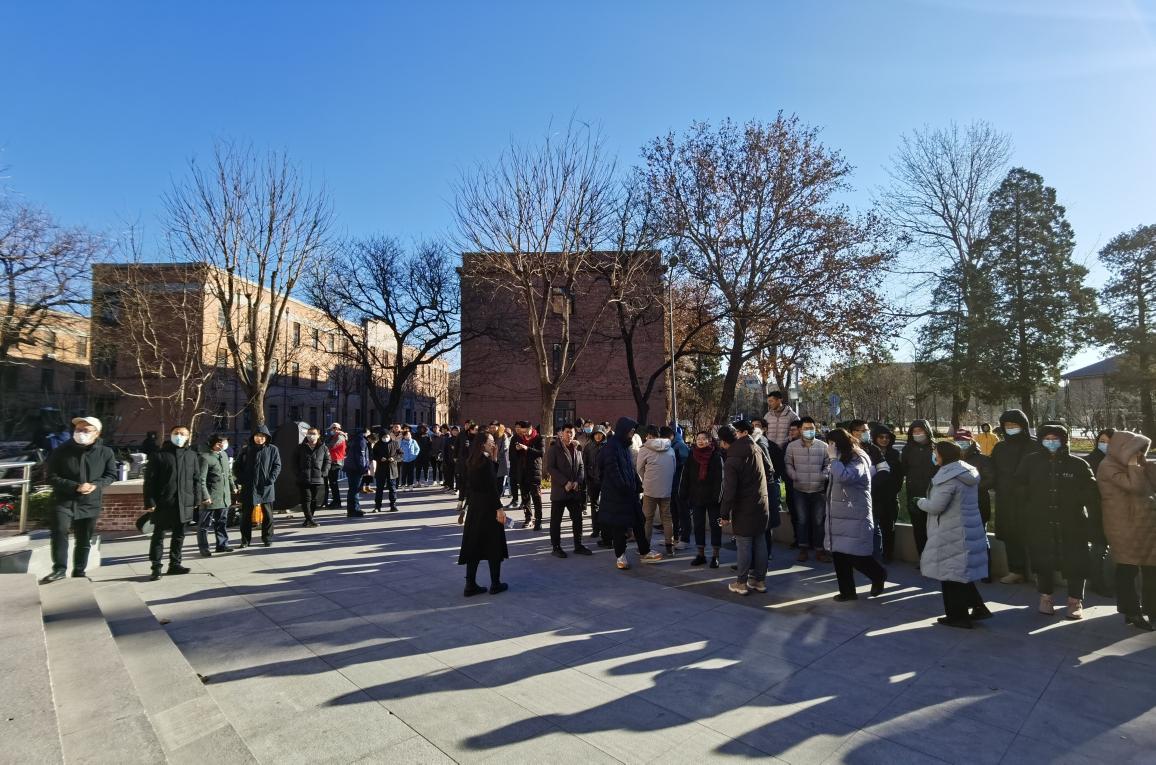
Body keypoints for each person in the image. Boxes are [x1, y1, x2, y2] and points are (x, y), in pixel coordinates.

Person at [1015, 424, 1098, 619]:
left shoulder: (1078, 464)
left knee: (1076, 562)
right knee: (1042, 560)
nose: (1051, 442)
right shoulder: (1030, 461)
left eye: (1055, 439)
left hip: (1072, 522)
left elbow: (1091, 491)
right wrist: (1032, 501)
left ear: (1064, 440)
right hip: (1040, 521)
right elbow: (1018, 485)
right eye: (1047, 438)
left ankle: (1075, 601)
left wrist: (1074, 500)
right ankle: (1046, 598)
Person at [918, 440, 992, 628]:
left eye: (936, 452)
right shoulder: (965, 471)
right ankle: (978, 607)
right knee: (959, 572)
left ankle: (958, 617)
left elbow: (936, 506)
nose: (934, 455)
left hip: (951, 530)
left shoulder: (948, 477)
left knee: (950, 575)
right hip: (965, 526)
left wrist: (920, 502)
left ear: (943, 455)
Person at [40, 416, 117, 584]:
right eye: (78, 429)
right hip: (63, 500)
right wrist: (75, 486)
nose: (81, 433)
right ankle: (59, 569)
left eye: (86, 430)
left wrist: (95, 485)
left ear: (97, 433)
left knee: (84, 538)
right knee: (60, 531)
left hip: (90, 501)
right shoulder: (61, 450)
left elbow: (111, 475)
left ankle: (79, 570)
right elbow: (51, 477)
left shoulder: (105, 452)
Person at [1097, 430, 1156, 630]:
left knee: (1151, 569)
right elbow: (1135, 487)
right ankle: (1131, 611)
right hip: (1122, 526)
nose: (1138, 453)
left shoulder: (1139, 464)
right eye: (1135, 449)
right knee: (1127, 568)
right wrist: (1133, 466)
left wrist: (1146, 464)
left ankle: (1152, 609)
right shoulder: (1107, 466)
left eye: (1141, 450)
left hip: (1146, 525)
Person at [825, 428, 887, 601]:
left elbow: (845, 477)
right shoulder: (840, 457)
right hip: (839, 512)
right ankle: (847, 592)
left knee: (857, 555)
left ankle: (879, 575)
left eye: (831, 443)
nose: (829, 447)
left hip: (854, 514)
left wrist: (832, 459)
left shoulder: (858, 458)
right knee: (839, 555)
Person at [598, 417, 661, 568]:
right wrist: (623, 487)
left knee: (639, 522)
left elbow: (630, 468)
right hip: (616, 495)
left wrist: (637, 483)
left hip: (630, 493)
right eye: (631, 431)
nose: (632, 434)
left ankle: (645, 551)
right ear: (623, 430)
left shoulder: (625, 446)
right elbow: (612, 470)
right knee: (619, 527)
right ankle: (620, 556)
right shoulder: (611, 447)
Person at [143, 426, 203, 580]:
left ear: (188, 437)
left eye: (183, 434)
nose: (179, 436)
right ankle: (156, 567)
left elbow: (196, 479)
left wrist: (197, 498)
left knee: (179, 535)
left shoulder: (192, 455)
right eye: (176, 433)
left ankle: (175, 564)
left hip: (185, 502)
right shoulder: (159, 455)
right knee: (158, 536)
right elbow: (150, 481)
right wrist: (150, 501)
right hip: (163, 503)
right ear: (170, 435)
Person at [719, 423, 770, 595]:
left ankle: (741, 583)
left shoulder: (732, 459)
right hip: (761, 502)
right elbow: (769, 469)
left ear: (724, 442)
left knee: (744, 545)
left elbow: (729, 491)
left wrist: (724, 514)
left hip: (744, 507)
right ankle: (759, 581)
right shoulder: (756, 447)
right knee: (760, 541)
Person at [458, 430, 509, 596]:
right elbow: (492, 488)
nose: (493, 444)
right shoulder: (485, 463)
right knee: (494, 545)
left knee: (474, 545)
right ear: (482, 444)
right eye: (490, 441)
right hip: (488, 508)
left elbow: (468, 485)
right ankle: (495, 583)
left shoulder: (471, 461)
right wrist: (499, 509)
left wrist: (464, 506)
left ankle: (470, 584)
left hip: (475, 508)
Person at [991, 409, 1036, 584]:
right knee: (1011, 535)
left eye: (1014, 425)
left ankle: (1039, 572)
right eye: (1007, 425)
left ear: (1023, 425)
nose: (1010, 428)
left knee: (1033, 535)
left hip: (1030, 499)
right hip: (1006, 498)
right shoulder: (1000, 447)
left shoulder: (1035, 445)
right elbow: (993, 470)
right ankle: (1016, 571)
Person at [786, 416, 830, 563]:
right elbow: (788, 464)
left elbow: (829, 464)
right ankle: (803, 549)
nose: (809, 431)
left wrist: (823, 475)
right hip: (800, 489)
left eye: (811, 428)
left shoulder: (823, 446)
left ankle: (819, 550)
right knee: (802, 520)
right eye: (806, 428)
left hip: (819, 489)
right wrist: (794, 475)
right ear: (800, 430)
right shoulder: (792, 446)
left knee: (819, 521)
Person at [546, 423, 591, 558]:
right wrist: (565, 482)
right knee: (556, 521)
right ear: (561, 433)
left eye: (571, 432)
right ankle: (556, 547)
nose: (569, 435)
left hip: (574, 491)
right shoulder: (554, 449)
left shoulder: (577, 448)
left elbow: (581, 467)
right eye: (567, 432)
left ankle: (578, 545)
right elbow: (551, 468)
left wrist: (577, 481)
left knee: (577, 519)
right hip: (560, 491)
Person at [681, 430, 724, 569]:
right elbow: (685, 475)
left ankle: (715, 556)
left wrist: (717, 498)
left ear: (709, 441)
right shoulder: (692, 455)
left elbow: (720, 479)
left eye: (703, 438)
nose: (700, 441)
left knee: (715, 526)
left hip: (713, 499)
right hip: (696, 497)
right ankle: (701, 554)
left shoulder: (716, 456)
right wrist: (684, 493)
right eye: (698, 438)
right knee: (698, 526)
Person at [234, 425, 283, 547]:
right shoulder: (246, 449)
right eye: (257, 436)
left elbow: (277, 466)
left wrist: (271, 479)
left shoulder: (273, 449)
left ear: (266, 438)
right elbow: (237, 466)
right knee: (246, 516)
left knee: (268, 515)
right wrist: (242, 479)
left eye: (262, 436)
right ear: (253, 437)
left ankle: (267, 538)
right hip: (249, 487)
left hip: (266, 487)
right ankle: (245, 540)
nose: (259, 438)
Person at [1084, 429, 1117, 597]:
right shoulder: (1090, 460)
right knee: (1099, 547)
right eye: (1102, 441)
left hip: (1115, 511)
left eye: (1110, 442)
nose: (1105, 445)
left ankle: (1104, 582)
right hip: (1097, 510)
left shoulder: (1119, 460)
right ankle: (1097, 583)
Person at [637, 424, 677, 557]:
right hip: (666, 488)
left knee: (647, 519)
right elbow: (673, 468)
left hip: (650, 489)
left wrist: (646, 479)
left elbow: (639, 468)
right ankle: (669, 546)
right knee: (667, 517)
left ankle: (645, 547)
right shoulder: (670, 448)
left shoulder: (644, 449)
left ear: (648, 436)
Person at [900, 419, 937, 556]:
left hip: (934, 493)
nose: (917, 434)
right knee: (919, 527)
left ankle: (935, 559)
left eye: (920, 430)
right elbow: (903, 468)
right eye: (914, 431)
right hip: (914, 493)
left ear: (927, 431)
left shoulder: (936, 448)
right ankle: (923, 558)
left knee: (934, 528)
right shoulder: (908, 449)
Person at [870, 425, 904, 563]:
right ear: (875, 438)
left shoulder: (895, 454)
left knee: (889, 527)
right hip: (873, 496)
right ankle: (874, 555)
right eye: (881, 437)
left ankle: (888, 555)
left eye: (887, 437)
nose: (884, 440)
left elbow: (899, 476)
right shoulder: (869, 453)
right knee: (873, 527)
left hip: (890, 497)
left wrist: (893, 491)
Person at [198, 433, 235, 555]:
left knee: (221, 522)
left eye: (224, 443)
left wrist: (233, 487)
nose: (222, 445)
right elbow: (201, 480)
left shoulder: (224, 455)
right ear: (213, 444)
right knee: (204, 525)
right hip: (210, 497)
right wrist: (205, 496)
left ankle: (222, 545)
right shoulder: (205, 457)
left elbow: (228, 474)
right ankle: (204, 548)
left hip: (223, 496)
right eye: (219, 443)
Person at [511, 421, 544, 530]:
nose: (524, 434)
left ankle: (538, 520)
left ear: (531, 428)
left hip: (534, 472)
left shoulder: (539, 438)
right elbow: (513, 455)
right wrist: (517, 450)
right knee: (525, 498)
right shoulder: (519, 439)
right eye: (522, 432)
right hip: (522, 472)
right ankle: (528, 518)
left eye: (525, 431)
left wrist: (527, 448)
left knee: (536, 497)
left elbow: (541, 453)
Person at [294, 426, 330, 528]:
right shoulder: (300, 447)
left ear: (318, 435)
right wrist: (298, 473)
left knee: (314, 499)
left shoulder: (323, 447)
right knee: (306, 499)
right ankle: (310, 519)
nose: (311, 435)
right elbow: (294, 461)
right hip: (304, 478)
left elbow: (328, 461)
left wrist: (324, 472)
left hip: (317, 477)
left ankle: (308, 519)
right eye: (309, 433)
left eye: (314, 433)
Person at [583, 425, 608, 546]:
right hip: (592, 480)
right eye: (596, 434)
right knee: (594, 505)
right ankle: (595, 529)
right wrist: (586, 479)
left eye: (600, 434)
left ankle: (605, 530)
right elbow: (584, 463)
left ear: (604, 435)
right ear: (593, 435)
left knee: (605, 505)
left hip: (605, 480)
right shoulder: (588, 446)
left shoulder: (608, 446)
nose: (598, 436)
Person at [667, 425, 691, 550]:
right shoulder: (672, 445)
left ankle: (685, 539)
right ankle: (675, 537)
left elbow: (685, 467)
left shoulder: (680, 446)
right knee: (674, 513)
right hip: (672, 485)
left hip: (681, 486)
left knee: (683, 513)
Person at [371, 428, 401, 514]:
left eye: (387, 436)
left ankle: (393, 505)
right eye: (384, 437)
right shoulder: (377, 444)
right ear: (381, 437)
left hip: (392, 468)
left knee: (392, 488)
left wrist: (394, 458)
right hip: (381, 469)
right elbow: (373, 455)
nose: (386, 438)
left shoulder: (395, 443)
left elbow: (400, 454)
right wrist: (380, 458)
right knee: (379, 488)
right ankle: (377, 506)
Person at [343, 428, 369, 517]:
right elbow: (361, 456)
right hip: (356, 469)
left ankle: (354, 508)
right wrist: (364, 469)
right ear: (365, 433)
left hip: (351, 467)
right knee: (355, 490)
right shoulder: (361, 441)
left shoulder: (355, 439)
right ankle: (353, 510)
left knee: (353, 489)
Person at [324, 424, 347, 508]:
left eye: (332, 429)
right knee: (333, 483)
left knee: (333, 483)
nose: (331, 431)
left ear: (337, 428)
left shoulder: (340, 436)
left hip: (336, 461)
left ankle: (337, 502)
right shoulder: (336, 436)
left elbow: (331, 446)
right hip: (334, 460)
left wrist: (324, 444)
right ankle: (336, 501)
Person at [443, 425, 459, 493]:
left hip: (458, 461)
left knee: (457, 475)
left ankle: (457, 489)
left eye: (456, 430)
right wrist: (445, 460)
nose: (455, 432)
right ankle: (451, 487)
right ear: (451, 431)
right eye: (453, 430)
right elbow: (445, 450)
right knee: (450, 475)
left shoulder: (460, 439)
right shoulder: (448, 439)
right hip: (449, 460)